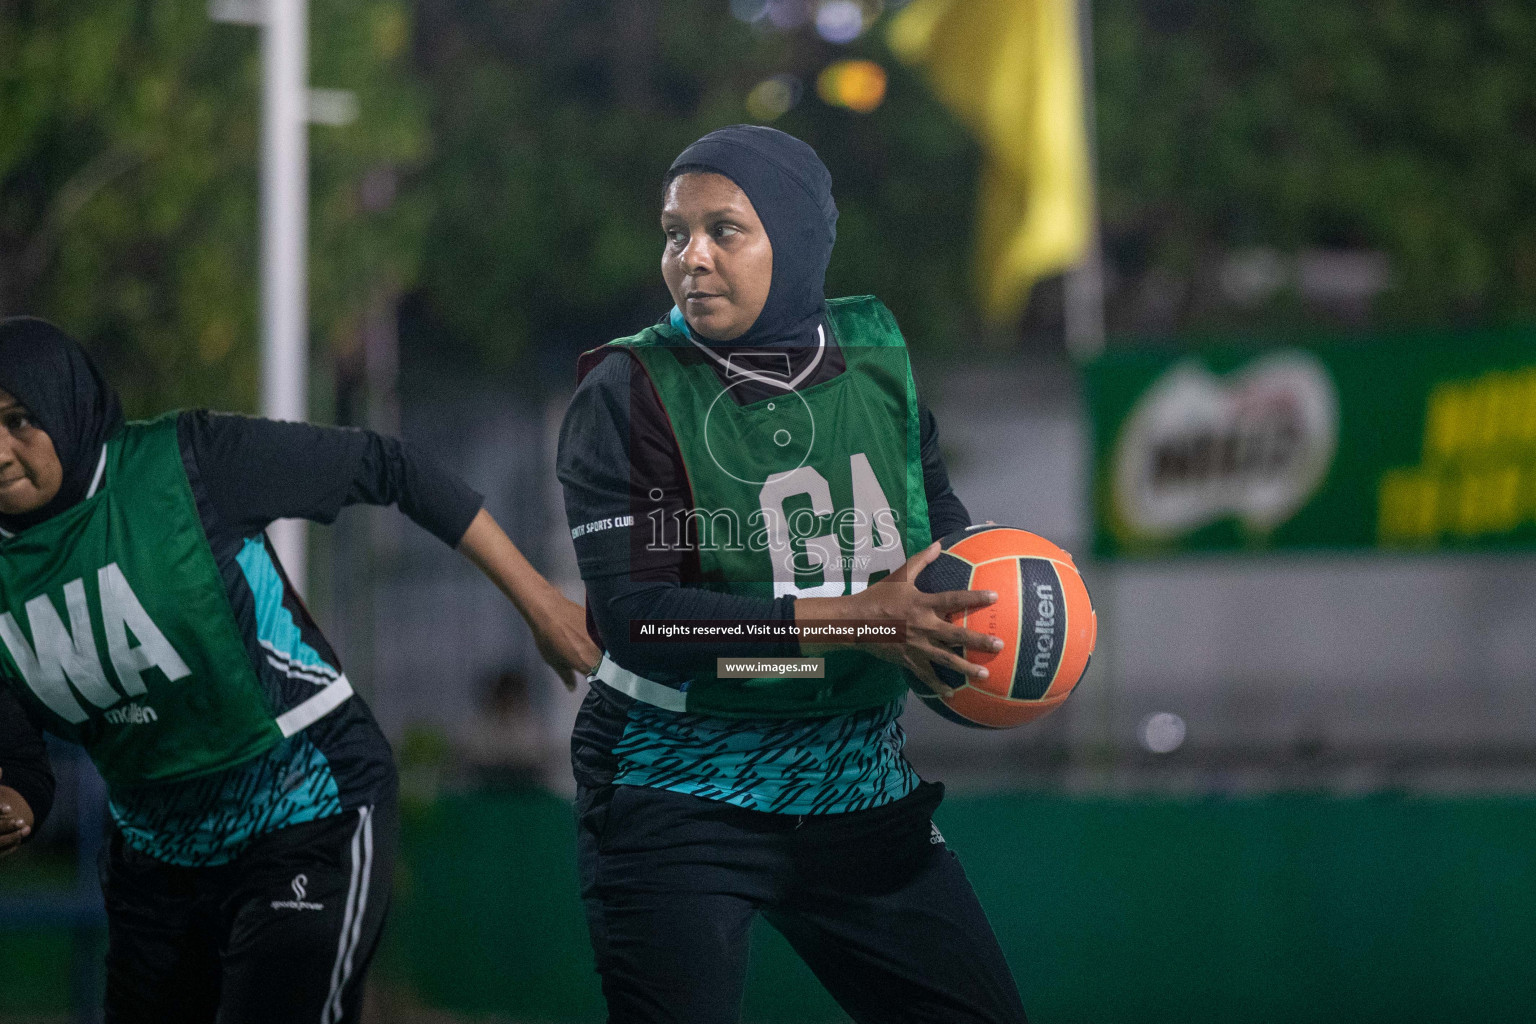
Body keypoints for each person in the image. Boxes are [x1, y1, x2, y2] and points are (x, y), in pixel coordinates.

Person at [0, 316, 600, 1024]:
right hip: (157, 861)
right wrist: (16, 801)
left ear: (66, 406)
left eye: (18, 420)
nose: (0, 450)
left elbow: (391, 467)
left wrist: (543, 604)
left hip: (307, 805)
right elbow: (19, 750)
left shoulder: (188, 463)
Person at [557, 125, 1029, 1023]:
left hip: (854, 781)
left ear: (797, 238)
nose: (690, 258)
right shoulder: (630, 390)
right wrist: (855, 621)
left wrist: (981, 622)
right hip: (679, 784)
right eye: (674, 233)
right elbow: (641, 620)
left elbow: (944, 546)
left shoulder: (877, 364)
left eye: (723, 229)